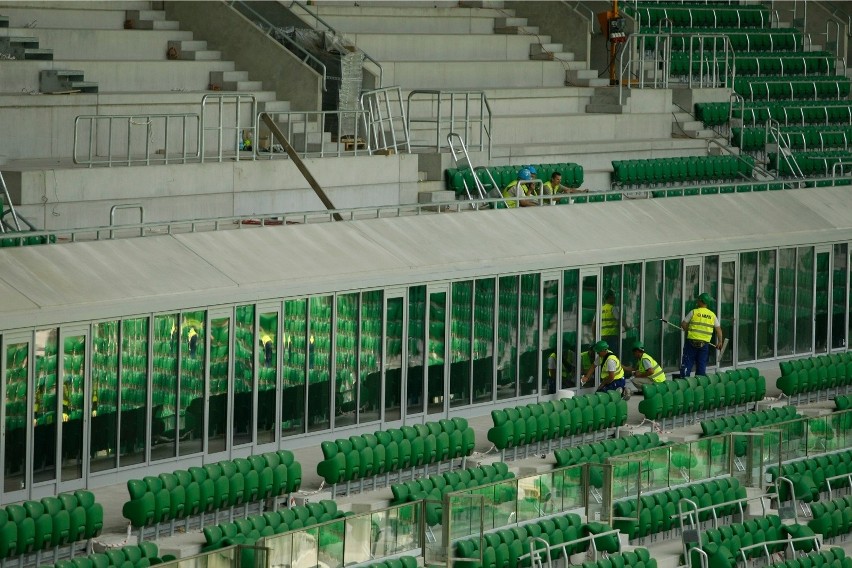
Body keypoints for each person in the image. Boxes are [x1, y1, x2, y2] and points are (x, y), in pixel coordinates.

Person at [680, 292, 724, 377]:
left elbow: (683, 324)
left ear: (701, 301)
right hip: (704, 345)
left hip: (691, 342)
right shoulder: (712, 315)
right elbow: (718, 330)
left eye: (698, 300)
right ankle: (699, 386)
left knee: (687, 364)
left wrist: (688, 331)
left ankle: (683, 383)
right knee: (701, 366)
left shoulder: (694, 312)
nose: (697, 301)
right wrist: (720, 342)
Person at [598, 289, 621, 356]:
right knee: (612, 354)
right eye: (613, 297)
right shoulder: (613, 308)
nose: (614, 299)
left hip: (603, 336)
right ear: (610, 298)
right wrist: (626, 327)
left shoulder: (600, 309)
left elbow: (594, 324)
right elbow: (620, 320)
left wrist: (594, 337)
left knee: (604, 354)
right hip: (612, 336)